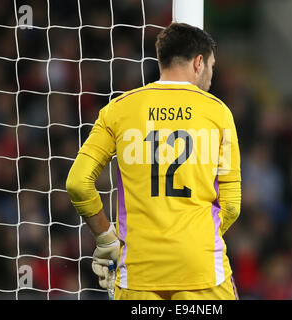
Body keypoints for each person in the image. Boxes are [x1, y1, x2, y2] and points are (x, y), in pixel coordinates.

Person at [66, 22, 241, 300]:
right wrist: (194, 239)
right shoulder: (218, 113)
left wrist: (106, 238)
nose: (211, 74)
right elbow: (230, 206)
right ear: (199, 63)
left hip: (137, 268)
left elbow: (77, 182)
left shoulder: (119, 109)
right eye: (211, 66)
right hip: (201, 267)